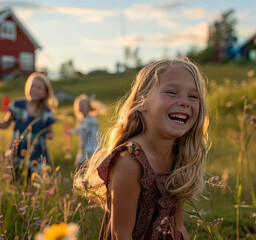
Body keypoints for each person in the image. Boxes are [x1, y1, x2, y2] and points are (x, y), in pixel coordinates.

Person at [74, 57, 209, 240]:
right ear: (142, 102)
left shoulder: (181, 157)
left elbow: (177, 226)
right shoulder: (130, 160)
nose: (185, 102)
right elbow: (120, 234)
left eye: (193, 96)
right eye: (171, 92)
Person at [0, 72, 56, 176]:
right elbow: (6, 124)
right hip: (17, 150)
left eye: (38, 87)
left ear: (45, 93)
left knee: (35, 182)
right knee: (15, 179)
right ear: (27, 87)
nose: (34, 89)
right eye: (32, 85)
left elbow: (51, 132)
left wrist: (50, 135)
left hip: (38, 154)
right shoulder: (17, 106)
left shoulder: (46, 113)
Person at [71, 94, 100, 168]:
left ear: (88, 107)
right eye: (79, 104)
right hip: (84, 148)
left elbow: (84, 130)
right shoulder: (81, 120)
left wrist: (74, 131)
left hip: (91, 148)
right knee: (81, 168)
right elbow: (78, 129)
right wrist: (71, 132)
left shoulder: (92, 120)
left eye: (83, 104)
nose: (80, 106)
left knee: (84, 167)